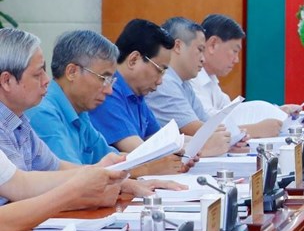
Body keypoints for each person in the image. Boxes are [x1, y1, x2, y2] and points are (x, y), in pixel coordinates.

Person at [28, 29, 188, 186]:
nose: (109, 90)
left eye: (111, 80)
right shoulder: (43, 113)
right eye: (103, 78)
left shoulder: (80, 112)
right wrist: (147, 169)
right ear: (72, 72)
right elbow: (72, 180)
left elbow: (112, 159)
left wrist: (153, 168)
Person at [0, 28, 128, 208]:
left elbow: (55, 167)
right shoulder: (40, 112)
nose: (46, 80)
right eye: (37, 74)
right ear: (6, 81)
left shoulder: (19, 122)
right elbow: (20, 188)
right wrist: (95, 181)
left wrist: (104, 174)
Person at [191, 13, 300, 137]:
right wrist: (256, 129)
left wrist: (274, 111)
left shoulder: (211, 79)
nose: (236, 60)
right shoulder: (191, 79)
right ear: (213, 44)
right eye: (234, 51)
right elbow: (209, 124)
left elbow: (232, 113)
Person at [145, 17, 234, 153]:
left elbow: (208, 123)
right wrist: (233, 136)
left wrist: (229, 137)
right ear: (178, 46)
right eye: (200, 49)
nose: (203, 59)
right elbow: (199, 131)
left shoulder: (184, 83)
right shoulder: (164, 82)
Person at [90, 18, 175, 151]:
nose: (160, 81)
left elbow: (159, 139)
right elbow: (141, 152)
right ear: (133, 60)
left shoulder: (137, 94)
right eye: (159, 70)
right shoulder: (107, 92)